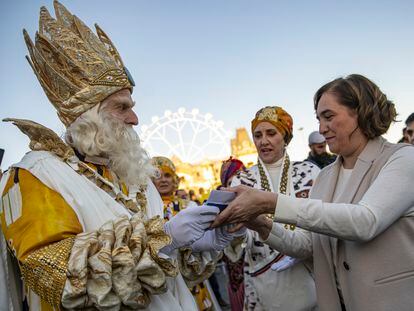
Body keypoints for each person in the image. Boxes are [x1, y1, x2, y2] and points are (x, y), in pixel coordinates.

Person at [0, 2, 237, 310]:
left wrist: (191, 245)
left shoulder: (132, 174)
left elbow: (161, 275)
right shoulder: (36, 176)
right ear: (88, 116)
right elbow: (55, 276)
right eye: (122, 107)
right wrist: (161, 238)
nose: (135, 119)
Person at [213, 74, 414, 311]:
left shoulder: (401, 158)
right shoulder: (326, 176)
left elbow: (365, 221)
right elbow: (308, 246)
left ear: (360, 111)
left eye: (328, 117)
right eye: (318, 119)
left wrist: (270, 203)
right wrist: (259, 224)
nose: (321, 128)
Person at [224, 106, 319, 310]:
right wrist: (234, 232)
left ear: (285, 137)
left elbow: (322, 222)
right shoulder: (242, 180)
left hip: (312, 277)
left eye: (271, 133)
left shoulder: (310, 172)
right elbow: (240, 239)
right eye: (257, 135)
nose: (263, 141)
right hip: (265, 283)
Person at [151, 156, 221, 311]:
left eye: (167, 175)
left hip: (192, 274)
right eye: (157, 176)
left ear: (175, 179)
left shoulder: (189, 206)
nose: (163, 180)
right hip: (164, 280)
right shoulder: (148, 210)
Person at [218, 157, 246, 311]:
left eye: (241, 180)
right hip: (236, 278)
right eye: (231, 183)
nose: (237, 187)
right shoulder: (220, 212)